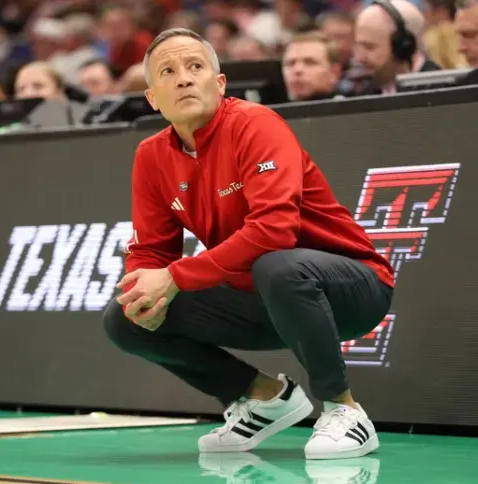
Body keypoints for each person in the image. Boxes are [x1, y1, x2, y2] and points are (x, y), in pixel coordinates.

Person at [102, 28, 394, 460]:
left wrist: (176, 276)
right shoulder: (151, 156)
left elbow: (275, 229)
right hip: (262, 296)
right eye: (168, 71)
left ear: (219, 85)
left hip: (351, 286)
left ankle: (346, 412)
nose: (184, 79)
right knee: (124, 317)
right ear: (152, 98)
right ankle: (264, 397)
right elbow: (150, 250)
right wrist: (139, 287)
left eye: (195, 67)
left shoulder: (255, 124)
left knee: (277, 265)